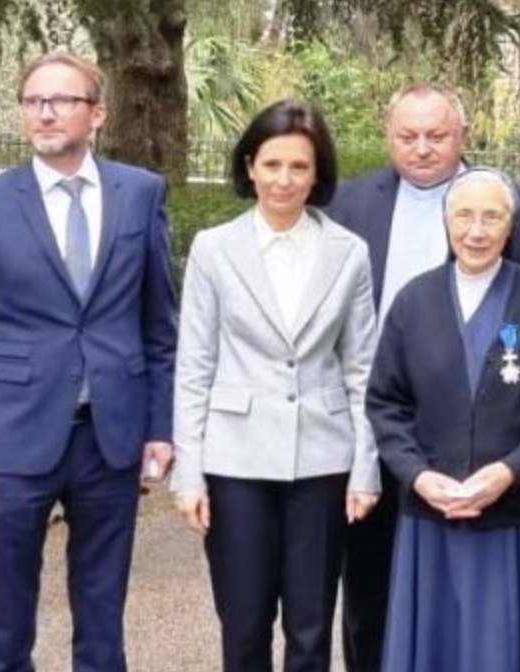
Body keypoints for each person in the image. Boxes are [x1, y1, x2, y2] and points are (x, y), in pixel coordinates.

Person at [0, 52, 177, 671]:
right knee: (7, 620)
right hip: (11, 440)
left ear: (97, 114)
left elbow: (160, 329)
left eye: (62, 100)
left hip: (110, 439)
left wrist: (159, 426)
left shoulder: (140, 194)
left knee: (102, 616)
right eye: (33, 101)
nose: (45, 113)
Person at [324, 82, 520, 672]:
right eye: (408, 135)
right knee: (370, 588)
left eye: (436, 135)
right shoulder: (349, 205)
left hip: (486, 443)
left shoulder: (514, 205)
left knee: (482, 603)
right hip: (376, 428)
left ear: (463, 135)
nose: (422, 148)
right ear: (388, 135)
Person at [170, 99, 380, 672]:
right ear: (249, 166)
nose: (283, 179)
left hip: (323, 460)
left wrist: (365, 468)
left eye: (298, 167)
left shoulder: (349, 253)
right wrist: (189, 473)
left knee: (311, 630)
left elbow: (361, 368)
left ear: (317, 175)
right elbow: (194, 367)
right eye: (271, 164)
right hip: (236, 463)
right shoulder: (215, 249)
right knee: (243, 625)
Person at [365, 168, 520, 672]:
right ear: (446, 222)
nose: (476, 231)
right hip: (433, 510)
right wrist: (417, 475)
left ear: (510, 227)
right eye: (464, 216)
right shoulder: (413, 302)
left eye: (491, 217)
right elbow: (385, 403)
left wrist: (510, 471)